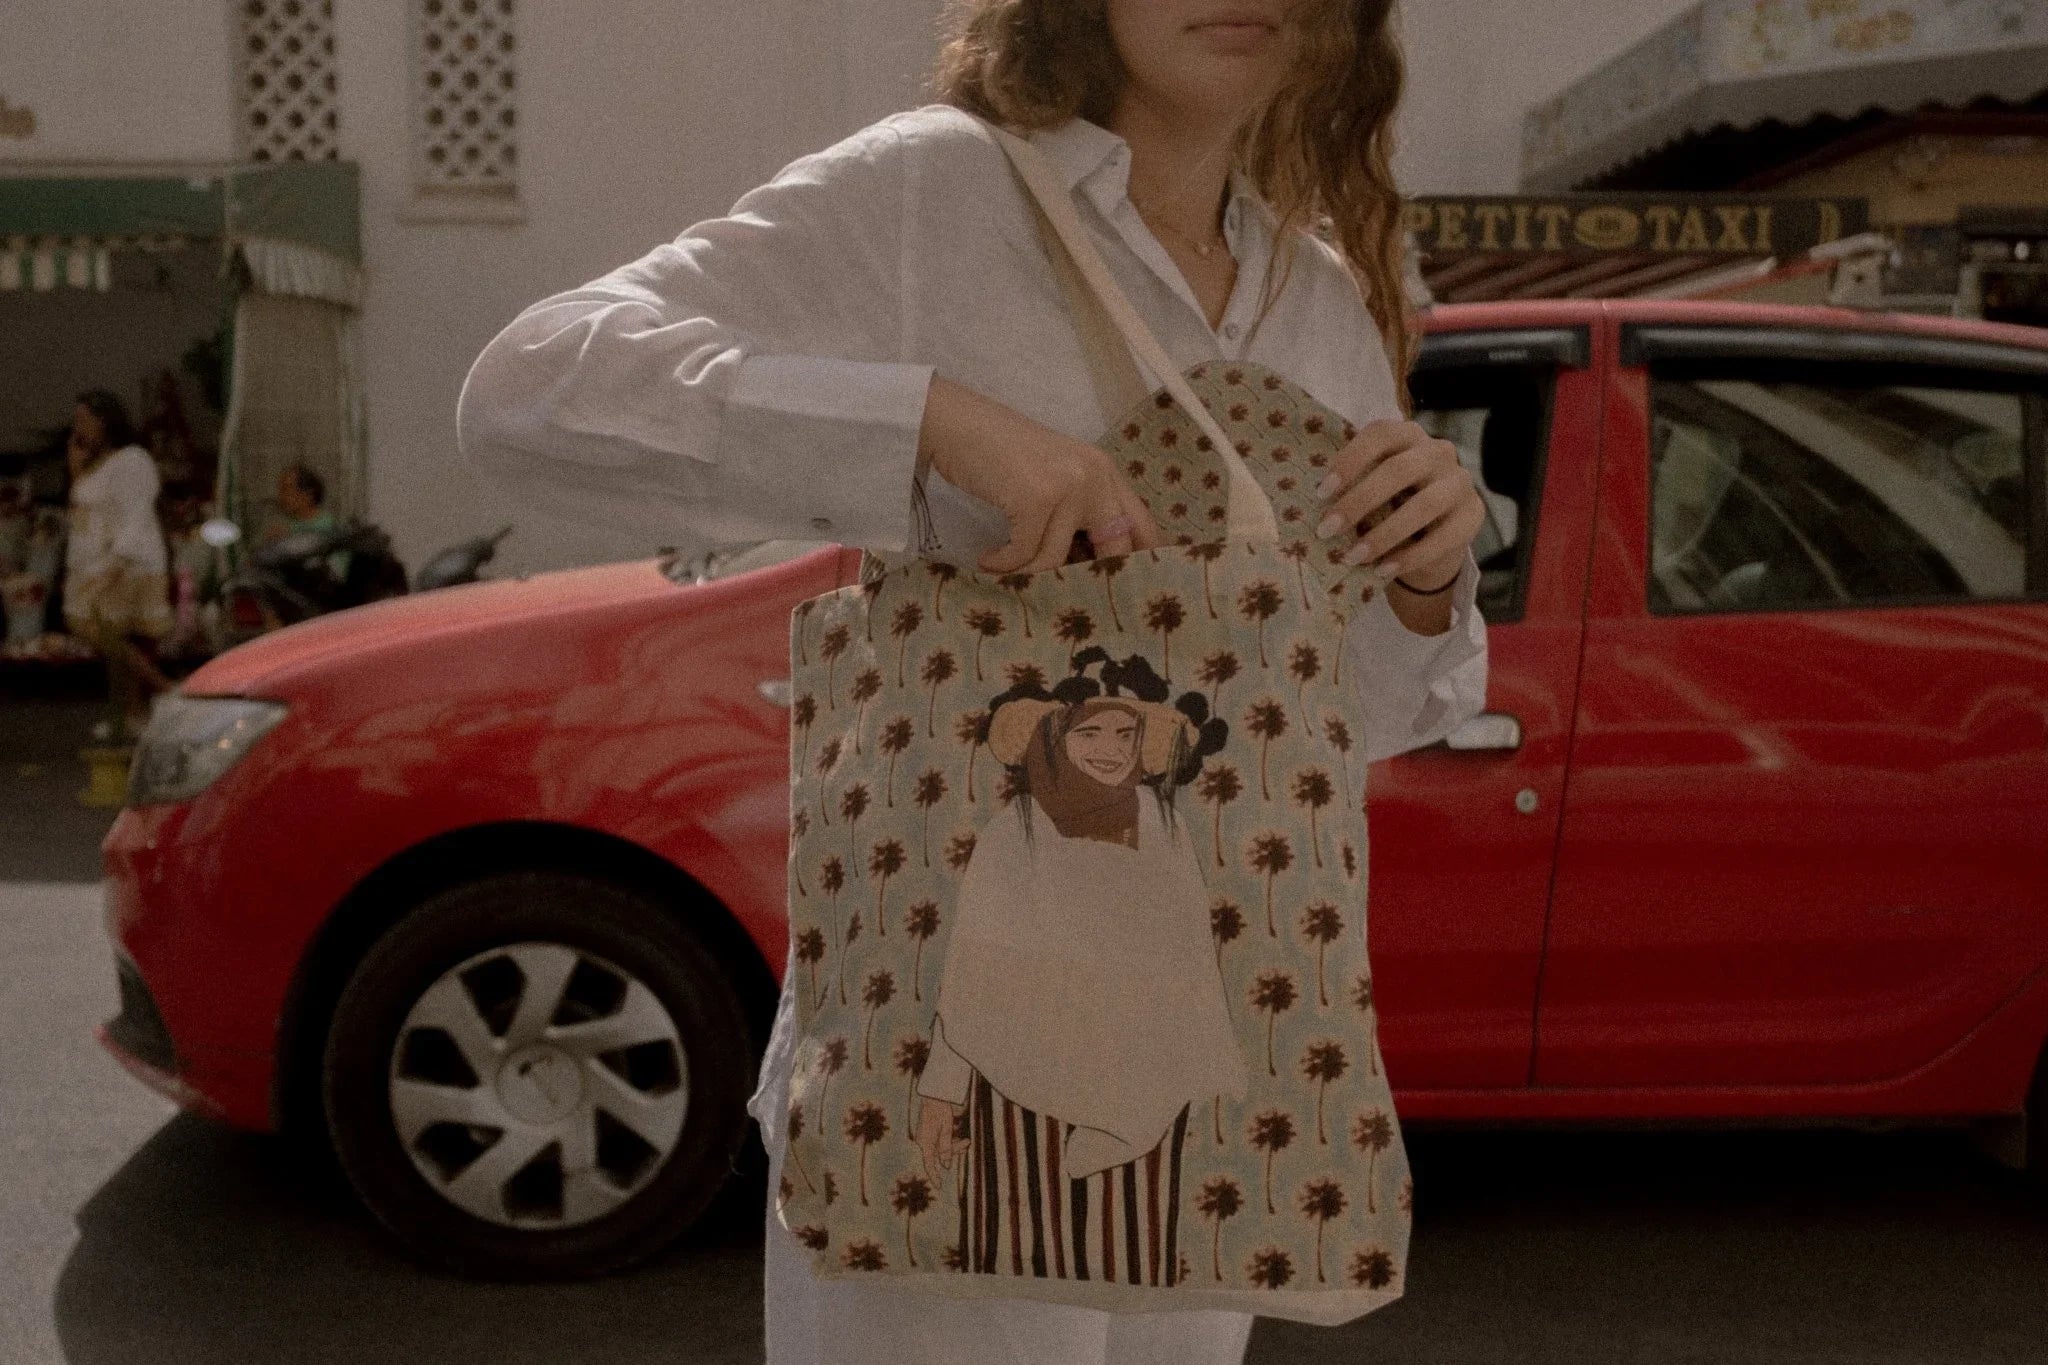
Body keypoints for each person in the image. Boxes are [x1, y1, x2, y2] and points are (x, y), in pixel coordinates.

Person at [460, 2, 1489, 1360]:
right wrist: (929, 422)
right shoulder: (938, 190)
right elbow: (531, 389)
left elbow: (1338, 723)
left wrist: (1422, 574)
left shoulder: (1315, 298)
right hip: (946, 1028)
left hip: (1207, 1061)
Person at [918, 651, 1248, 1285]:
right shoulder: (1014, 831)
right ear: (1052, 738)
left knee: (1134, 1253)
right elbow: (972, 972)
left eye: (1125, 733)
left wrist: (1182, 1060)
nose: (1110, 749)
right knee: (1015, 1263)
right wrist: (941, 1091)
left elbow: (1189, 962)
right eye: (1089, 732)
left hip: (1138, 1072)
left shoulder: (1164, 828)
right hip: (1019, 1080)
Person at [64, 390, 174, 739]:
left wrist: (118, 560)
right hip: (96, 562)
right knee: (114, 643)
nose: (78, 427)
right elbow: (83, 507)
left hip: (126, 563)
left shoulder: (132, 460)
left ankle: (164, 690)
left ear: (105, 421)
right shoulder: (95, 463)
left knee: (107, 634)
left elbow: (137, 514)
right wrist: (76, 468)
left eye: (85, 420)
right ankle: (131, 714)